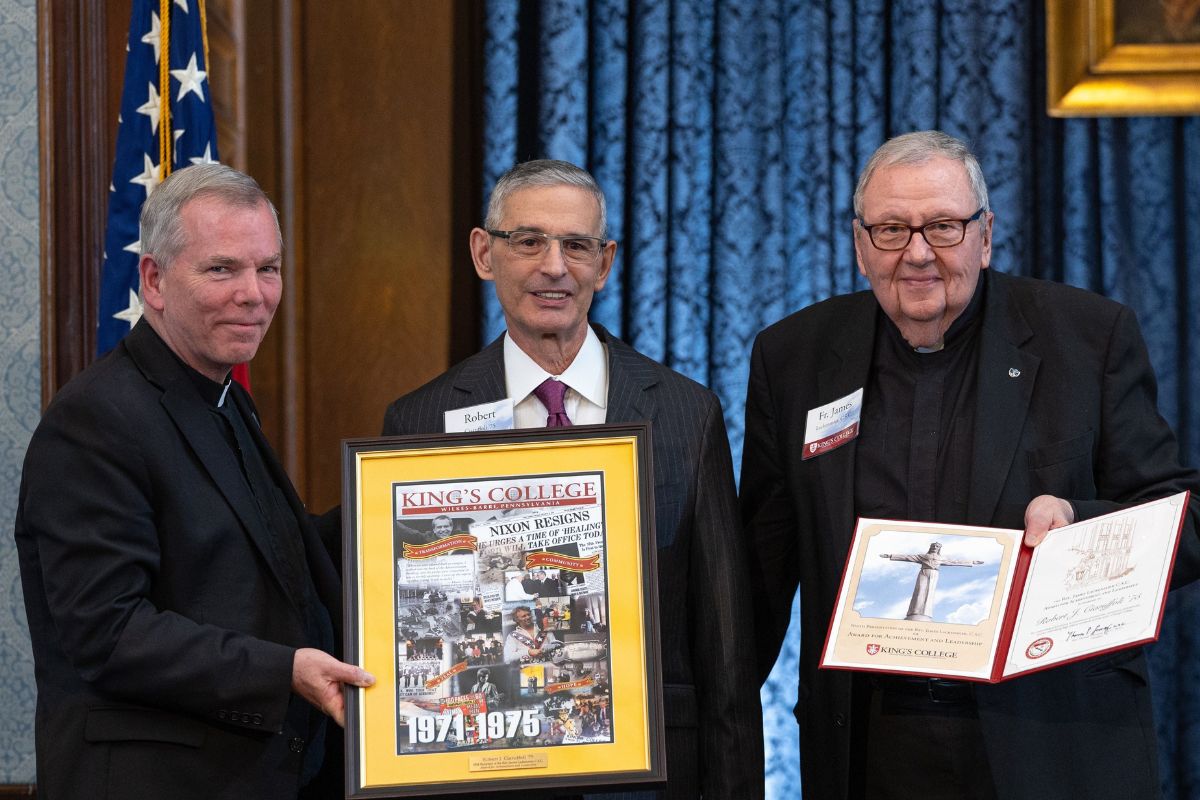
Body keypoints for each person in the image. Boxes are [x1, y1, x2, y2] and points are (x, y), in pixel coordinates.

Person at [741, 130, 1200, 800]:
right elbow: (759, 564)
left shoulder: (1088, 337)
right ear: (860, 243)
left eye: (944, 227)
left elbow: (1182, 521)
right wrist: (701, 723)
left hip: (1048, 741)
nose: (918, 253)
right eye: (892, 229)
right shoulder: (794, 358)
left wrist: (1079, 523)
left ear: (985, 235)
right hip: (869, 746)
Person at [382, 159, 764, 799]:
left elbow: (726, 651)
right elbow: (410, 635)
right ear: (484, 253)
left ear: (605, 262)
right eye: (528, 241)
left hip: (650, 779)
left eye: (576, 246)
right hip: (477, 779)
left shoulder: (685, 413)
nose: (554, 266)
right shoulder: (422, 420)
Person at [13, 164, 374, 800]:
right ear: (153, 280)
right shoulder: (97, 418)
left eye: (268, 269)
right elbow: (110, 630)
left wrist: (402, 505)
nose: (254, 294)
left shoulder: (220, 396)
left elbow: (268, 562)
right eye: (222, 269)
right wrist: (283, 670)